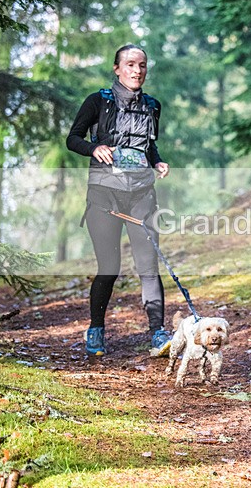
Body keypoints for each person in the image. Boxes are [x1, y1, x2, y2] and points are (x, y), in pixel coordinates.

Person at [66, 44, 172, 358]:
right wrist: (93, 149)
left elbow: (149, 147)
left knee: (148, 265)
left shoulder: (153, 106)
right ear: (117, 68)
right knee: (109, 267)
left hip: (141, 194)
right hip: (104, 196)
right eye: (130, 64)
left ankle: (158, 334)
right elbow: (73, 138)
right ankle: (96, 329)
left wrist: (158, 162)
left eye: (142, 65)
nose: (137, 71)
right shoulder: (97, 101)